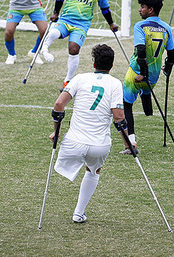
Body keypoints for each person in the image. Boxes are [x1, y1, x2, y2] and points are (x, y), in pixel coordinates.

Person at [50, 44, 125, 224]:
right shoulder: (115, 84)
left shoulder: (79, 79)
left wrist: (56, 132)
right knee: (93, 170)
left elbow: (58, 106)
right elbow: (119, 117)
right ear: (112, 65)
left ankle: (77, 212)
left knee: (71, 165)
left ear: (93, 64)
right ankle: (78, 212)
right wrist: (129, 142)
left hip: (73, 143)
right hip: (100, 146)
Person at [41, 0, 119, 89]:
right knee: (54, 32)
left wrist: (111, 24)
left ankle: (68, 81)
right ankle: (44, 49)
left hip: (82, 24)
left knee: (74, 49)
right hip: (66, 19)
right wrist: (55, 13)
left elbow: (104, 8)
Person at [122, 0, 174, 153]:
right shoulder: (167, 27)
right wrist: (168, 68)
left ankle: (131, 143)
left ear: (150, 10)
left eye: (142, 7)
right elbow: (171, 55)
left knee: (126, 105)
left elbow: (141, 50)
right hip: (154, 74)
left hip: (137, 72)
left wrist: (142, 73)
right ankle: (148, 112)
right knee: (146, 91)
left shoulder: (140, 26)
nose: (140, 10)